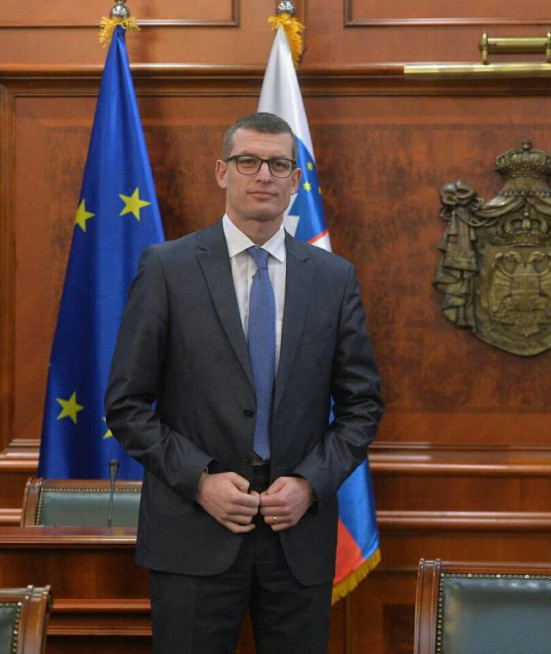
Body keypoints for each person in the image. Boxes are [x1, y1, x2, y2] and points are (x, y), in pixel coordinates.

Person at [105, 112, 384, 653]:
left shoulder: (333, 277)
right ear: (221, 172)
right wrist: (200, 480)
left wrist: (308, 483)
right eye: (248, 161)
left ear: (296, 180)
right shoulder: (167, 268)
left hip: (296, 536)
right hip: (192, 531)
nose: (264, 175)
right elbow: (127, 405)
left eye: (279, 164)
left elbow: (362, 406)